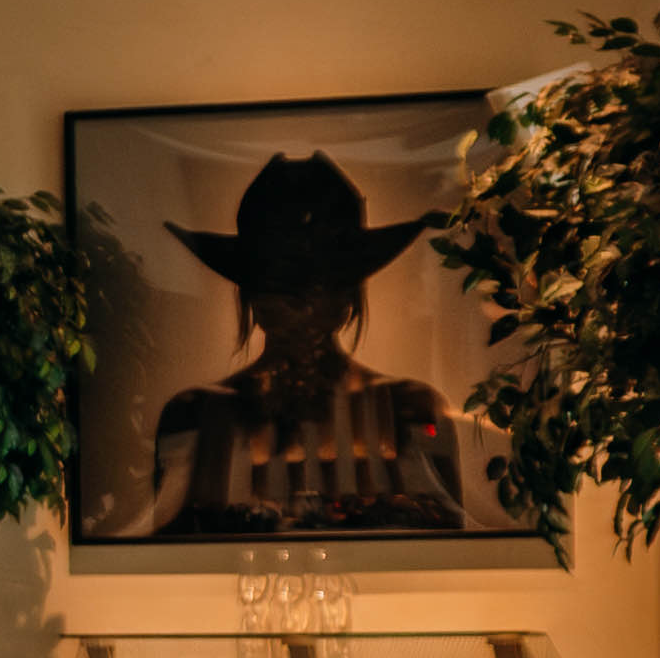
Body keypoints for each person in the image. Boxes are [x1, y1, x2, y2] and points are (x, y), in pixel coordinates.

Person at [126, 144, 480, 536]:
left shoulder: (408, 409)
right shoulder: (197, 415)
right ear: (254, 299)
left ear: (347, 298)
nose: (302, 306)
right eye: (282, 287)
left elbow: (449, 550)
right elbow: (164, 561)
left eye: (319, 286)